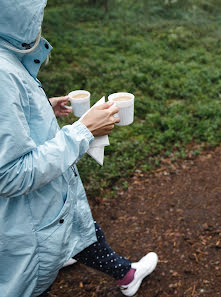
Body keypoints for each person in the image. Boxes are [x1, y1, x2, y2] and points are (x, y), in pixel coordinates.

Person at [0, 1, 158, 296]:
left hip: (45, 208)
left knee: (81, 230)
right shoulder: (2, 73)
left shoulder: (6, 60)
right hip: (29, 222)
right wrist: (83, 131)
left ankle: (124, 272)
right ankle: (127, 273)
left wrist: (43, 107)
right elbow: (9, 174)